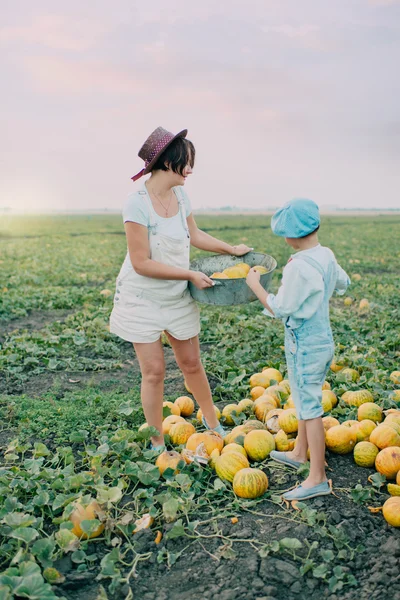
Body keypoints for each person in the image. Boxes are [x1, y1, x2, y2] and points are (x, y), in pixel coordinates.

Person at [110, 126, 252, 450]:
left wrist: (231, 249)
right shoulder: (136, 204)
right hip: (142, 298)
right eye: (187, 162)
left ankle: (212, 423)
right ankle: (157, 443)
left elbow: (196, 235)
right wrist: (188, 274)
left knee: (191, 364)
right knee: (154, 372)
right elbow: (140, 262)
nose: (191, 169)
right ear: (168, 162)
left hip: (175, 296)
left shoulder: (181, 196)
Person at [246, 199, 350, 500]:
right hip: (322, 339)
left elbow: (280, 308)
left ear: (291, 235)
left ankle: (317, 477)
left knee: (311, 408)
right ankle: (299, 452)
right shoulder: (325, 255)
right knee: (306, 399)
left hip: (304, 344)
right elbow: (343, 282)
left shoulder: (299, 267)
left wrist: (255, 284)